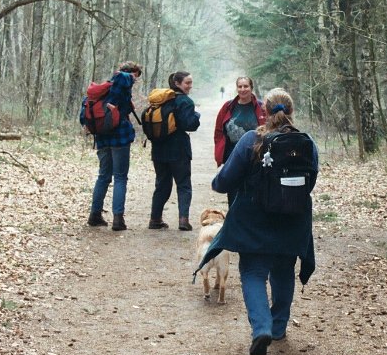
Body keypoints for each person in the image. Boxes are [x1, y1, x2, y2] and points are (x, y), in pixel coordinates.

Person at [196, 88, 318, 355]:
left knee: (253, 273)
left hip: (254, 222)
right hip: (293, 221)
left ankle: (261, 328)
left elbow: (225, 180)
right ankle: (277, 328)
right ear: (291, 112)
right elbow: (311, 180)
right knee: (283, 271)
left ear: (264, 111)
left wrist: (218, 182)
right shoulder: (306, 143)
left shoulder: (252, 139)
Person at [81, 61, 142, 231]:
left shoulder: (101, 90)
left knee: (103, 176)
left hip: (101, 138)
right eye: (136, 77)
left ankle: (95, 215)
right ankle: (118, 219)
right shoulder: (123, 89)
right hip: (120, 138)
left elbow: (83, 116)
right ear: (133, 74)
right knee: (120, 177)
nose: (135, 81)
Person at [148, 71, 201, 231]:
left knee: (162, 184)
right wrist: (196, 115)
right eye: (187, 83)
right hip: (179, 150)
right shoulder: (185, 101)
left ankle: (155, 219)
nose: (190, 86)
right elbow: (189, 125)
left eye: (191, 82)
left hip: (158, 149)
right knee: (184, 185)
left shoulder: (161, 101)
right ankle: (183, 220)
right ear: (177, 83)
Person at [213, 76, 267, 205]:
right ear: (237, 88)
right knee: (233, 188)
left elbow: (268, 129)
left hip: (255, 154)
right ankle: (233, 217)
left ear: (251, 88)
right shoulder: (228, 106)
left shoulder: (261, 107)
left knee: (253, 187)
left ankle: (251, 218)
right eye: (240, 86)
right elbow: (219, 130)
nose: (243, 89)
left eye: (246, 86)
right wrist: (219, 151)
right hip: (232, 154)